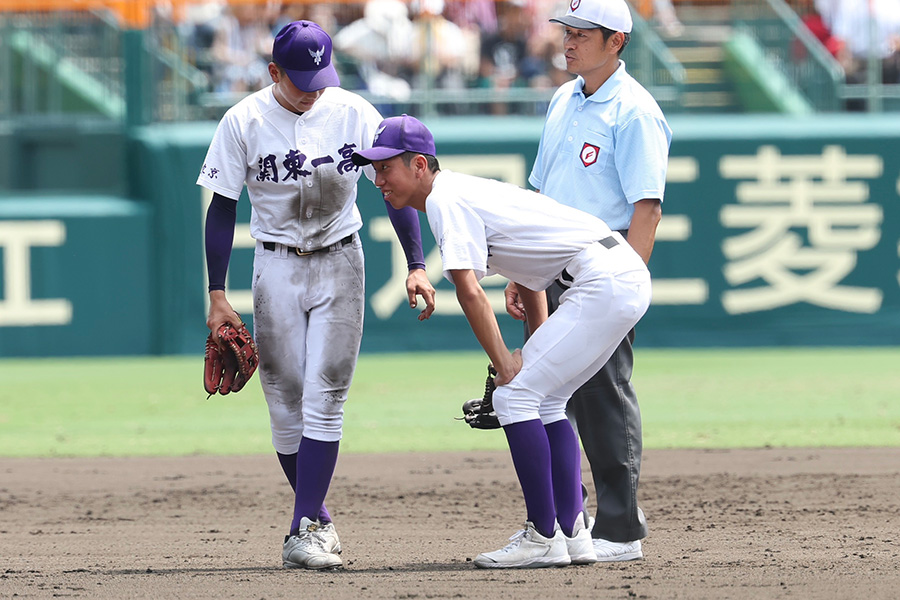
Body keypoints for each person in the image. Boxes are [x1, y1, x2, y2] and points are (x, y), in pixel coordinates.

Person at [351, 114, 651, 569]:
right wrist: (530, 349)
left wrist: (506, 365)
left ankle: (542, 535)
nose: (377, 180)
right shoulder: (463, 192)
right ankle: (572, 534)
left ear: (417, 165)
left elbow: (469, 291)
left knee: (515, 396)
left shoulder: (445, 200)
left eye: (385, 167)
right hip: (614, 273)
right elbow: (530, 278)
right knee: (546, 400)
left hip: (601, 279)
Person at [196, 21, 436, 570]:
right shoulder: (244, 120)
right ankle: (318, 517)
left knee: (326, 396)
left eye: (320, 75)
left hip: (340, 261)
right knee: (283, 401)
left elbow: (394, 189)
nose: (313, 87)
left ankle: (302, 528)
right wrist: (216, 292)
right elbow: (223, 207)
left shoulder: (352, 111)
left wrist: (417, 263)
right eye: (300, 78)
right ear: (274, 72)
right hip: (275, 265)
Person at [504, 0, 672, 562]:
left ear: (616, 40)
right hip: (550, 261)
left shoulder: (635, 112)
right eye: (566, 30)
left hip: (603, 265)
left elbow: (646, 209)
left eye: (581, 33)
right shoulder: (562, 97)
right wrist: (522, 270)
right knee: (549, 393)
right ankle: (566, 521)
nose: (568, 41)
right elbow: (539, 192)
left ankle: (621, 528)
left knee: (602, 394)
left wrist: (629, 284)